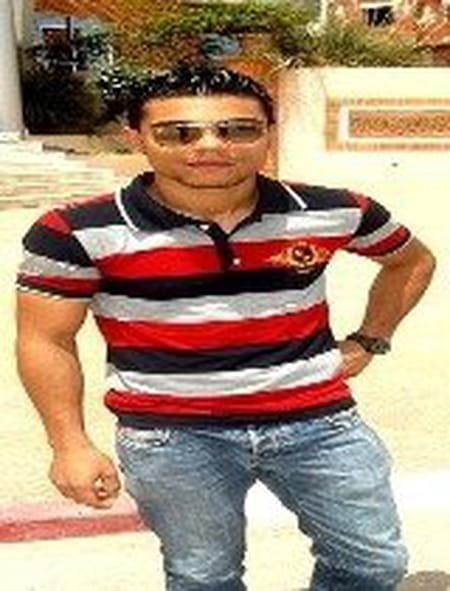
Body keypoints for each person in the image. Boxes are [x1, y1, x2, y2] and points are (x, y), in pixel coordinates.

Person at [16, 63, 435, 591]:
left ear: (268, 134)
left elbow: (411, 260)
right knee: (204, 578)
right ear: (136, 138)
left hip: (320, 424)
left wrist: (370, 339)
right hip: (172, 436)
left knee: (373, 564)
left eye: (238, 129)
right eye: (178, 133)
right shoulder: (74, 230)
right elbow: (46, 339)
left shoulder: (334, 210)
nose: (211, 146)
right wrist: (70, 445)